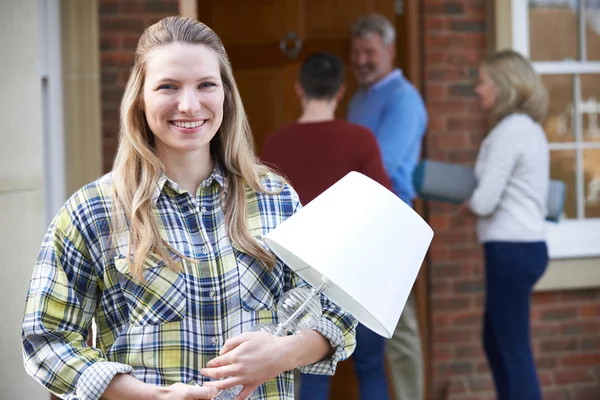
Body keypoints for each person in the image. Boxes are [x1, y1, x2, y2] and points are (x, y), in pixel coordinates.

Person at [21, 16, 356, 400]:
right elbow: (45, 339)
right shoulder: (92, 211)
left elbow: (336, 312)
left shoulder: (275, 198)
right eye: (168, 86)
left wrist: (283, 353)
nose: (189, 104)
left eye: (205, 85)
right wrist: (153, 396)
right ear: (141, 98)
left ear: (225, 94)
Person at [261, 52, 392, 400]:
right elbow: (386, 209)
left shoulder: (276, 143)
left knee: (311, 369)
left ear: (298, 89)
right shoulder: (361, 140)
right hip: (357, 271)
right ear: (341, 91)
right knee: (370, 367)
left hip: (299, 272)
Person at [347, 13, 428, 400]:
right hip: (361, 223)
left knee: (398, 326)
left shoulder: (403, 99)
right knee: (364, 327)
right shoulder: (360, 97)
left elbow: (388, 167)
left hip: (393, 224)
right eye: (356, 52)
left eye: (370, 52)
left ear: (390, 51)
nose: (361, 60)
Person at [462, 49, 550, 400]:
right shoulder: (526, 129)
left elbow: (485, 200)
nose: (477, 89)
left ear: (504, 85)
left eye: (482, 82)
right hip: (523, 247)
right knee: (497, 341)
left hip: (511, 250)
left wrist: (471, 203)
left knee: (512, 349)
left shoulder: (509, 131)